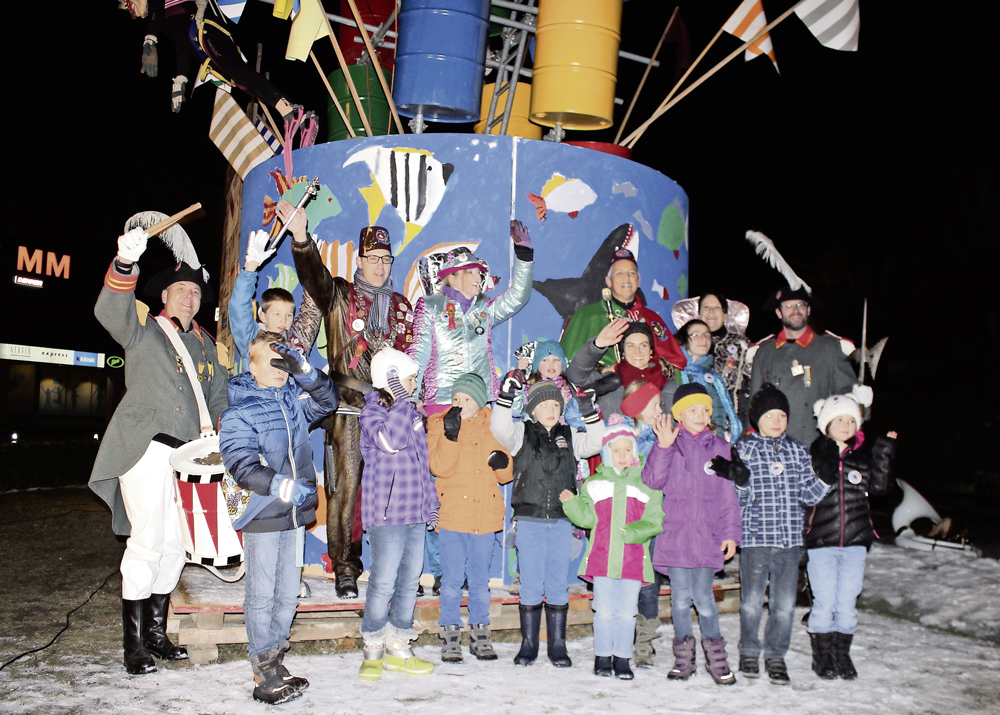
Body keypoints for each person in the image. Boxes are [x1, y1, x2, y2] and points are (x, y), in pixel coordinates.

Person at [89, 226, 227, 674]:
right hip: (146, 449)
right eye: (180, 289)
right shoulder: (144, 330)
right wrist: (124, 263)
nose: (189, 296)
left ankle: (155, 634)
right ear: (164, 296)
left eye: (195, 291)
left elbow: (219, 400)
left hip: (190, 458)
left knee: (175, 545)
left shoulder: (208, 346)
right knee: (147, 541)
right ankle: (133, 645)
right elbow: (109, 311)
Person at [291, 206, 414, 598]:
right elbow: (314, 277)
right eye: (372, 258)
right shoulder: (340, 294)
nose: (379, 266)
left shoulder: (402, 306)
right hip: (347, 405)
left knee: (393, 492)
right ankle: (345, 567)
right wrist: (301, 239)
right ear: (360, 260)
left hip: (389, 410)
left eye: (386, 259)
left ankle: (391, 567)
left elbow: (412, 358)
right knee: (345, 489)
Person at [219, 335, 339, 704]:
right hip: (264, 512)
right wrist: (281, 485)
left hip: (295, 514)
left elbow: (329, 401)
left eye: (282, 363)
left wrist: (306, 371)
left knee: (287, 593)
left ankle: (275, 660)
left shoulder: (294, 403)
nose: (278, 370)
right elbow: (240, 464)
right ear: (251, 366)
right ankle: (263, 670)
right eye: (270, 363)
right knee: (262, 592)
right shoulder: (239, 412)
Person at [491, 375, 606, 667]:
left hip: (561, 521)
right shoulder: (522, 433)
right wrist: (505, 398)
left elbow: (596, 442)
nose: (551, 410)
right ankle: (528, 644)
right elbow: (499, 429)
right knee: (530, 583)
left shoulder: (570, 435)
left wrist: (588, 410)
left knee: (556, 583)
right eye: (544, 405)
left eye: (556, 404)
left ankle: (557, 645)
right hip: (529, 520)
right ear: (532, 409)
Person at [724, 382, 834, 685]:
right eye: (769, 415)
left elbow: (808, 495)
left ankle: (775, 655)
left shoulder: (797, 451)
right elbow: (737, 499)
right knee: (751, 602)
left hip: (788, 542)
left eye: (782, 415)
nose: (776, 421)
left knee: (783, 606)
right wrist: (741, 481)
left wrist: (825, 478)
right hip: (756, 539)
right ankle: (749, 650)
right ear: (757, 418)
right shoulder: (744, 450)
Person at [641, 384, 742, 686]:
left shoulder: (721, 448)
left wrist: (730, 534)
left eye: (705, 410)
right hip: (676, 536)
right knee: (680, 600)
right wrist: (662, 447)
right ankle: (683, 657)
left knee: (705, 599)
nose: (700, 415)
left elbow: (728, 496)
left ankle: (717, 656)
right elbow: (653, 480)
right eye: (693, 410)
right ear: (679, 415)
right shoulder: (669, 444)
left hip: (707, 536)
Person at [560, 416, 664, 681]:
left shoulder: (646, 484)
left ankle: (623, 658)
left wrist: (634, 532)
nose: (622, 456)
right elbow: (586, 519)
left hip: (633, 560)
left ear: (634, 451)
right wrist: (571, 504)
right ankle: (603, 656)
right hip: (602, 559)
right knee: (604, 611)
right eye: (616, 451)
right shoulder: (594, 484)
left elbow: (655, 520)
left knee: (627, 613)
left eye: (627, 450)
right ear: (607, 453)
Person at [358, 348, 438, 680]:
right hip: (387, 515)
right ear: (391, 379)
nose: (414, 385)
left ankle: (398, 644)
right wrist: (403, 402)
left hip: (414, 513)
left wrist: (431, 504)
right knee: (383, 582)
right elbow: (390, 441)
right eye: (409, 379)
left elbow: (422, 463)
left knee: (409, 582)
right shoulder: (371, 413)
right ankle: (373, 647)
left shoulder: (412, 415)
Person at [806, 392, 897, 681]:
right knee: (824, 601)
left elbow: (880, 488)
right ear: (826, 424)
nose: (845, 426)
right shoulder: (814, 457)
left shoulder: (862, 459)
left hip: (856, 542)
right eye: (839, 420)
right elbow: (803, 496)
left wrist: (883, 453)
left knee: (847, 602)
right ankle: (823, 657)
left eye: (851, 420)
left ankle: (842, 655)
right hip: (822, 542)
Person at [427, 373, 513, 663]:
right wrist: (450, 437)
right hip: (453, 516)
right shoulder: (440, 425)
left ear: (479, 401)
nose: (460, 404)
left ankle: (480, 632)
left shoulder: (493, 426)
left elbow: (506, 474)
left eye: (467, 399)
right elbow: (439, 467)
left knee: (479, 581)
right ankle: (450, 633)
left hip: (484, 517)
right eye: (456, 398)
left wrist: (503, 462)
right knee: (451, 581)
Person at [409, 220, 534, 414]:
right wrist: (411, 397)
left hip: (479, 400)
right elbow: (419, 353)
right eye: (470, 272)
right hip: (443, 400)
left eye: (479, 272)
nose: (478, 277)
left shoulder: (485, 309)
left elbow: (518, 296)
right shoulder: (430, 306)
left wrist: (524, 255)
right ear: (452, 276)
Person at [747, 288, 860, 445]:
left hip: (818, 446)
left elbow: (849, 398)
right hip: (775, 446)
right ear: (779, 312)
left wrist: (860, 403)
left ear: (808, 310)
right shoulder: (764, 352)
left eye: (801, 305)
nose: (795, 310)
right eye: (788, 306)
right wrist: (751, 441)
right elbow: (753, 403)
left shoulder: (830, 349)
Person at [560, 248, 685, 370]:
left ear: (639, 281)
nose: (626, 278)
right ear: (608, 281)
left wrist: (656, 366)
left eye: (632, 273)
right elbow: (568, 365)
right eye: (619, 273)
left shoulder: (652, 319)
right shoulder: (587, 316)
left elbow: (675, 364)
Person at [227, 224, 322, 373]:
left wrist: (311, 265)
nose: (283, 320)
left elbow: (312, 307)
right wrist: (251, 266)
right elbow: (239, 307)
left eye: (288, 315)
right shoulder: (253, 340)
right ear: (262, 316)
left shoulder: (298, 340)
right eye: (276, 314)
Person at [618, 380, 665, 667]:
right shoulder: (621, 435)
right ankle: (622, 634)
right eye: (654, 405)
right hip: (623, 518)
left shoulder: (663, 436)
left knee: (649, 581)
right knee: (623, 579)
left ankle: (645, 639)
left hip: (652, 518)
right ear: (637, 407)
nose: (660, 410)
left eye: (659, 405)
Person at [565, 319, 675, 419]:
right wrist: (597, 345)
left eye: (643, 345)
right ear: (623, 352)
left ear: (651, 351)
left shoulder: (667, 386)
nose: (637, 351)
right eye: (630, 346)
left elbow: (674, 425)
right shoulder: (609, 381)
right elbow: (575, 377)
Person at [673, 319, 742, 442]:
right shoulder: (669, 368)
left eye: (707, 335)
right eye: (696, 334)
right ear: (684, 338)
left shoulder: (713, 379)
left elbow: (718, 416)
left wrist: (717, 446)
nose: (703, 339)